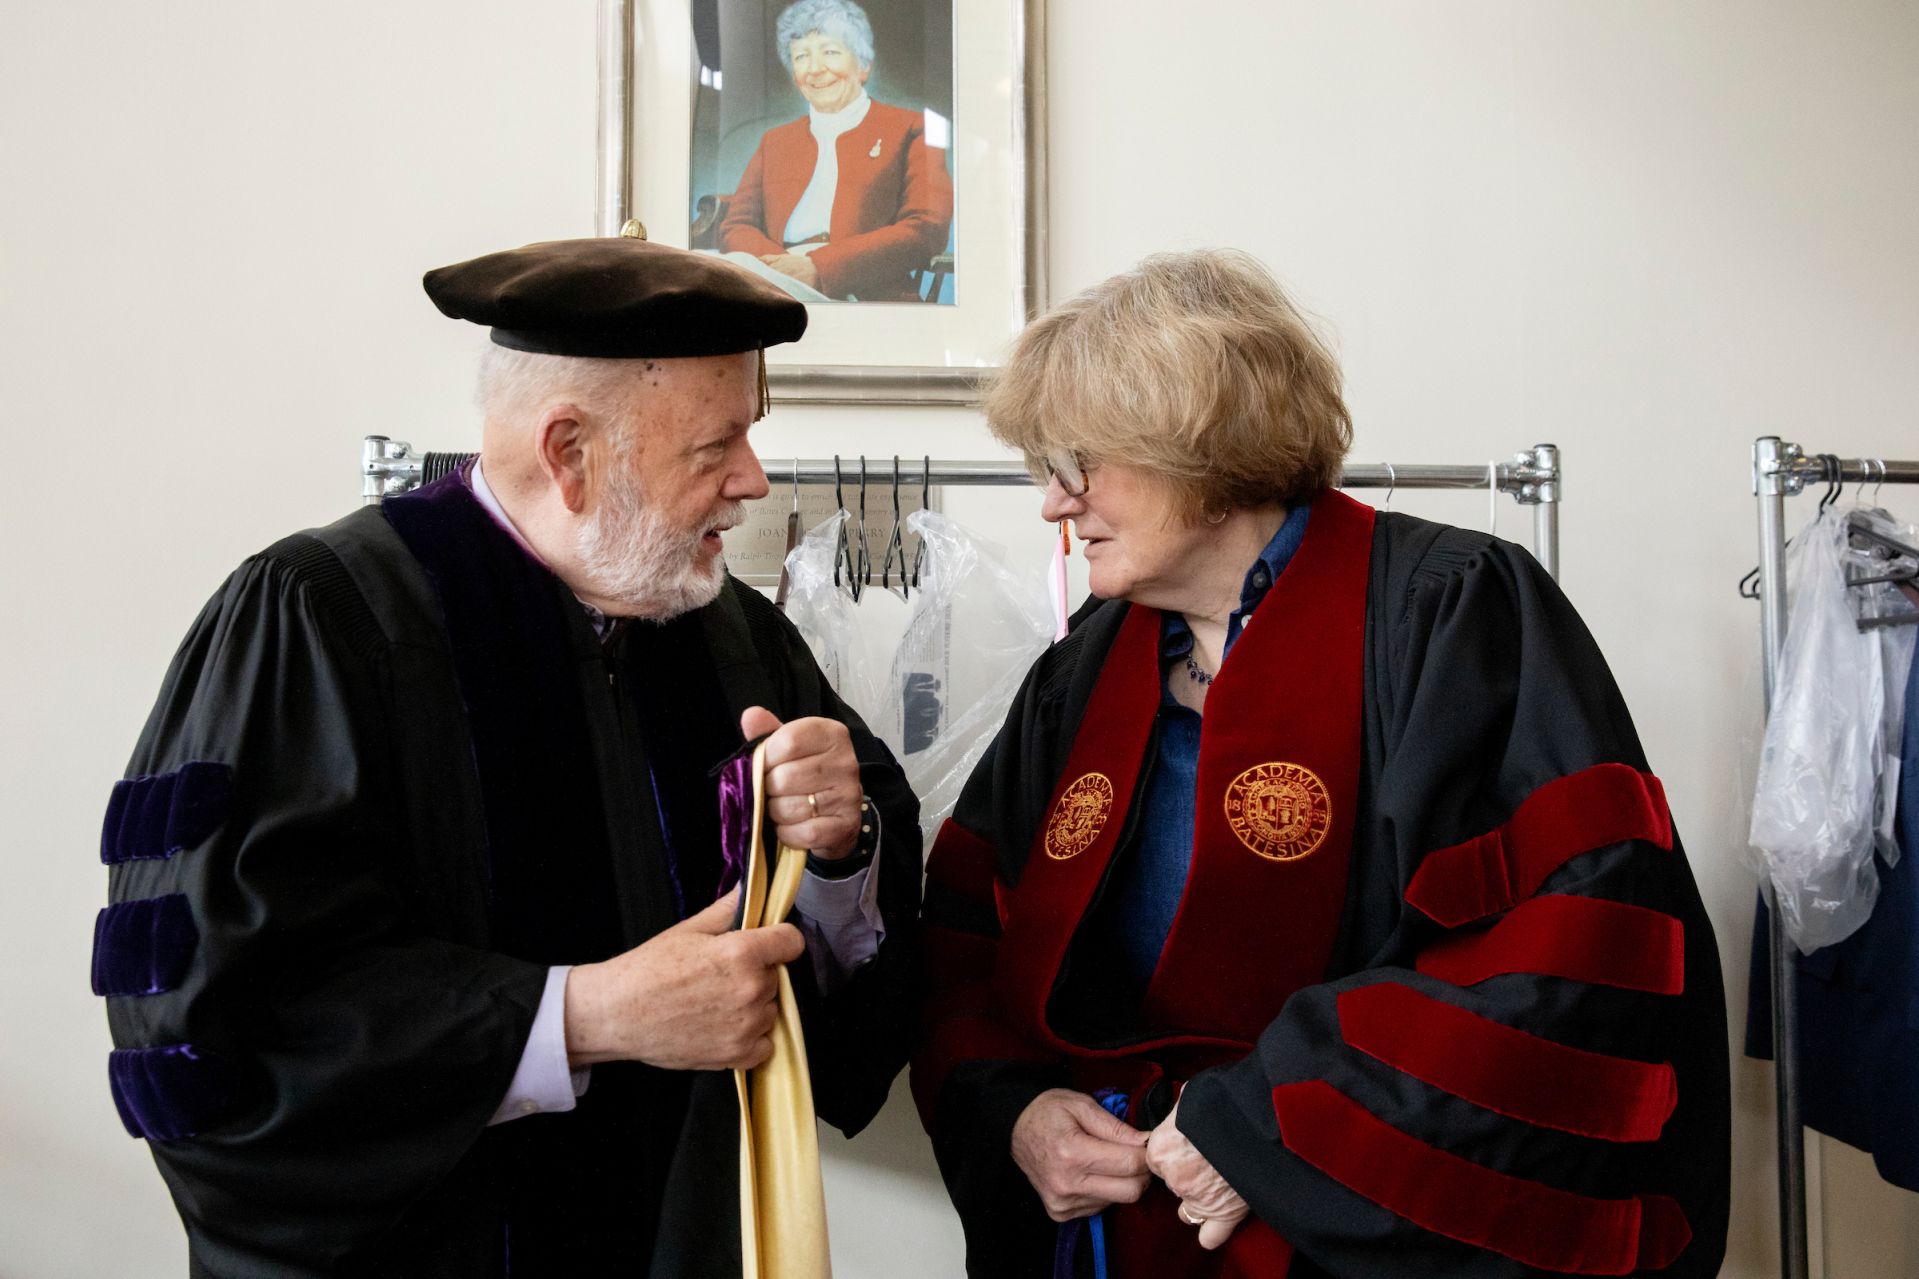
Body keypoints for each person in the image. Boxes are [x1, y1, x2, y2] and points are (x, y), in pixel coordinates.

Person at [92, 231, 921, 1276]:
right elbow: (211, 1022)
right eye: (714, 449)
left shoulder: (732, 636)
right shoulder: (323, 619)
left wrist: (842, 855)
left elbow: (836, 997)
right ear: (568, 453)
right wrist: (585, 1015)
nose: (753, 481)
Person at [910, 250, 1730, 1277]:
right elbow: (964, 943)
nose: (1052, 504)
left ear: (1193, 446)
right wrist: (1017, 1110)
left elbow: (1572, 945)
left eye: (1077, 463)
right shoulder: (1080, 675)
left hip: (1352, 1243)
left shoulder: (1452, 611)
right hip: (1118, 1241)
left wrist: (1267, 1123)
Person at [716, 0, 953, 302]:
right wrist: (782, 270)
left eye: (830, 52)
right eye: (802, 56)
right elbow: (736, 225)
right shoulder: (775, 141)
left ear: (863, 65)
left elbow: (925, 228)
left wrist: (821, 268)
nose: (815, 70)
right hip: (775, 287)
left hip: (862, 294)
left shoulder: (911, 128)